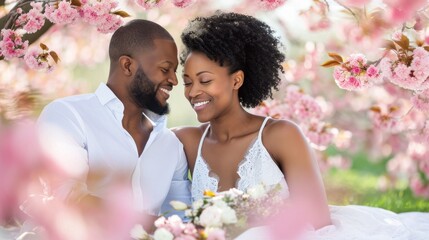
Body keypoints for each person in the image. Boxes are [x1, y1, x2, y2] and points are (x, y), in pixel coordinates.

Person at [174, 12, 429, 239]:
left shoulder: (280, 136)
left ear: (237, 80)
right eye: (187, 82)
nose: (193, 92)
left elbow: (319, 224)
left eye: (204, 81)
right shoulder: (188, 141)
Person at [37, 19, 191, 220]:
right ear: (127, 65)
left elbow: (181, 217)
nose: (174, 80)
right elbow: (68, 196)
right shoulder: (68, 115)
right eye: (165, 69)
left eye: (174, 71)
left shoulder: (171, 145)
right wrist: (152, 227)